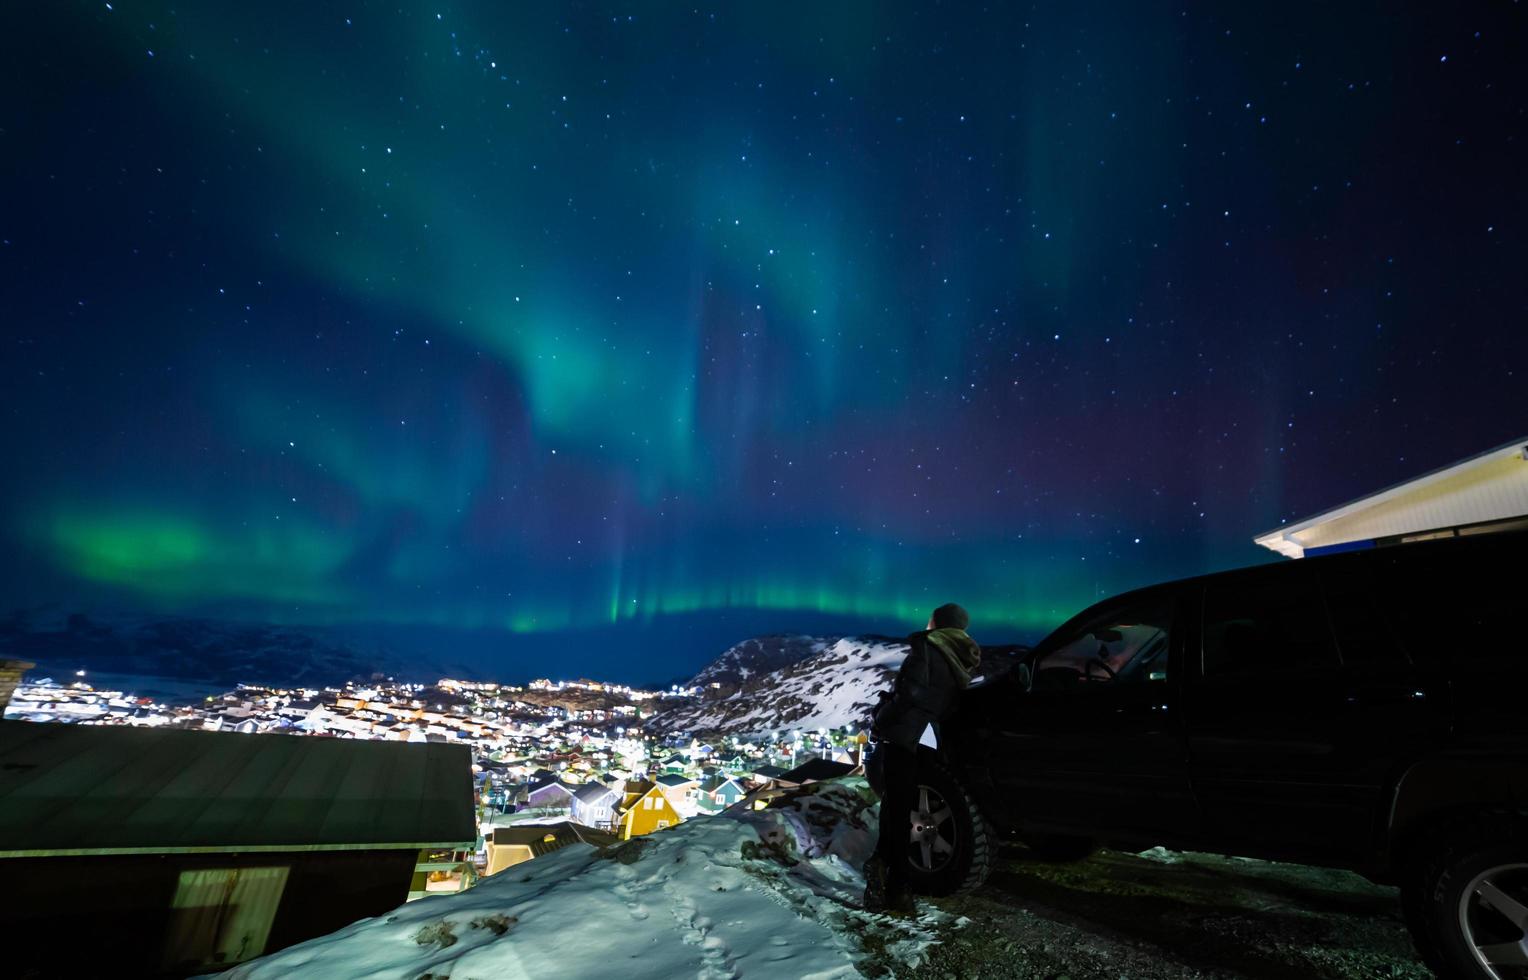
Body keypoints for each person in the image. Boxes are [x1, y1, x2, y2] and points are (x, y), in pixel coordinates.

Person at [863, 602, 981, 914]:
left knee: (897, 809)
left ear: (938, 623)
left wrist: (882, 718)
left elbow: (911, 693)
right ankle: (893, 883)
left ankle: (889, 881)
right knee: (903, 808)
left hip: (904, 737)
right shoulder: (965, 653)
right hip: (931, 740)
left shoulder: (929, 648)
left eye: (931, 620)